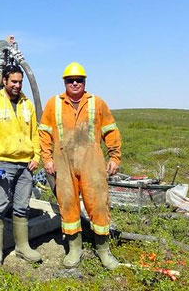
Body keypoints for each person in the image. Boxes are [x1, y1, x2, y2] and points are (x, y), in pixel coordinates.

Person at [38, 61, 121, 270]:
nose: (75, 83)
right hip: (63, 160)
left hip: (91, 160)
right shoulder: (53, 103)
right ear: (64, 82)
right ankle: (74, 248)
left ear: (84, 82)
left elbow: (110, 130)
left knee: (98, 203)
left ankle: (103, 250)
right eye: (70, 80)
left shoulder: (97, 103)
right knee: (67, 203)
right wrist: (46, 159)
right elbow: (44, 133)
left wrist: (114, 157)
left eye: (79, 80)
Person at [0, 64, 42, 265]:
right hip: (3, 163)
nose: (17, 85)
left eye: (20, 82)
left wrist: (36, 156)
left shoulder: (27, 105)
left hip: (26, 165)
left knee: (22, 207)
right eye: (13, 81)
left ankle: (22, 247)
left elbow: (35, 133)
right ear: (4, 81)